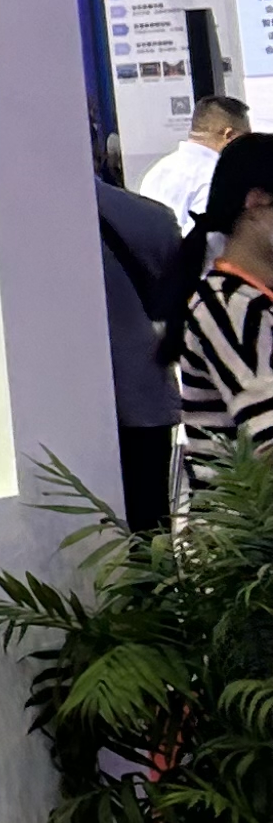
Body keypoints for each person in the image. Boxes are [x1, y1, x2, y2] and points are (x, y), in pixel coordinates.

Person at [159, 126, 273, 507]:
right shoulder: (229, 305)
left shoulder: (247, 299)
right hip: (246, 533)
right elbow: (267, 439)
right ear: (257, 203)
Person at [96, 141, 187, 530]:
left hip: (51, 407)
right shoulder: (149, 218)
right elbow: (173, 295)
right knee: (149, 532)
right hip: (141, 397)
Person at [135, 90, 244, 227]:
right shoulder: (216, 178)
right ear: (229, 135)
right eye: (247, 137)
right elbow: (206, 235)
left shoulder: (157, 171)